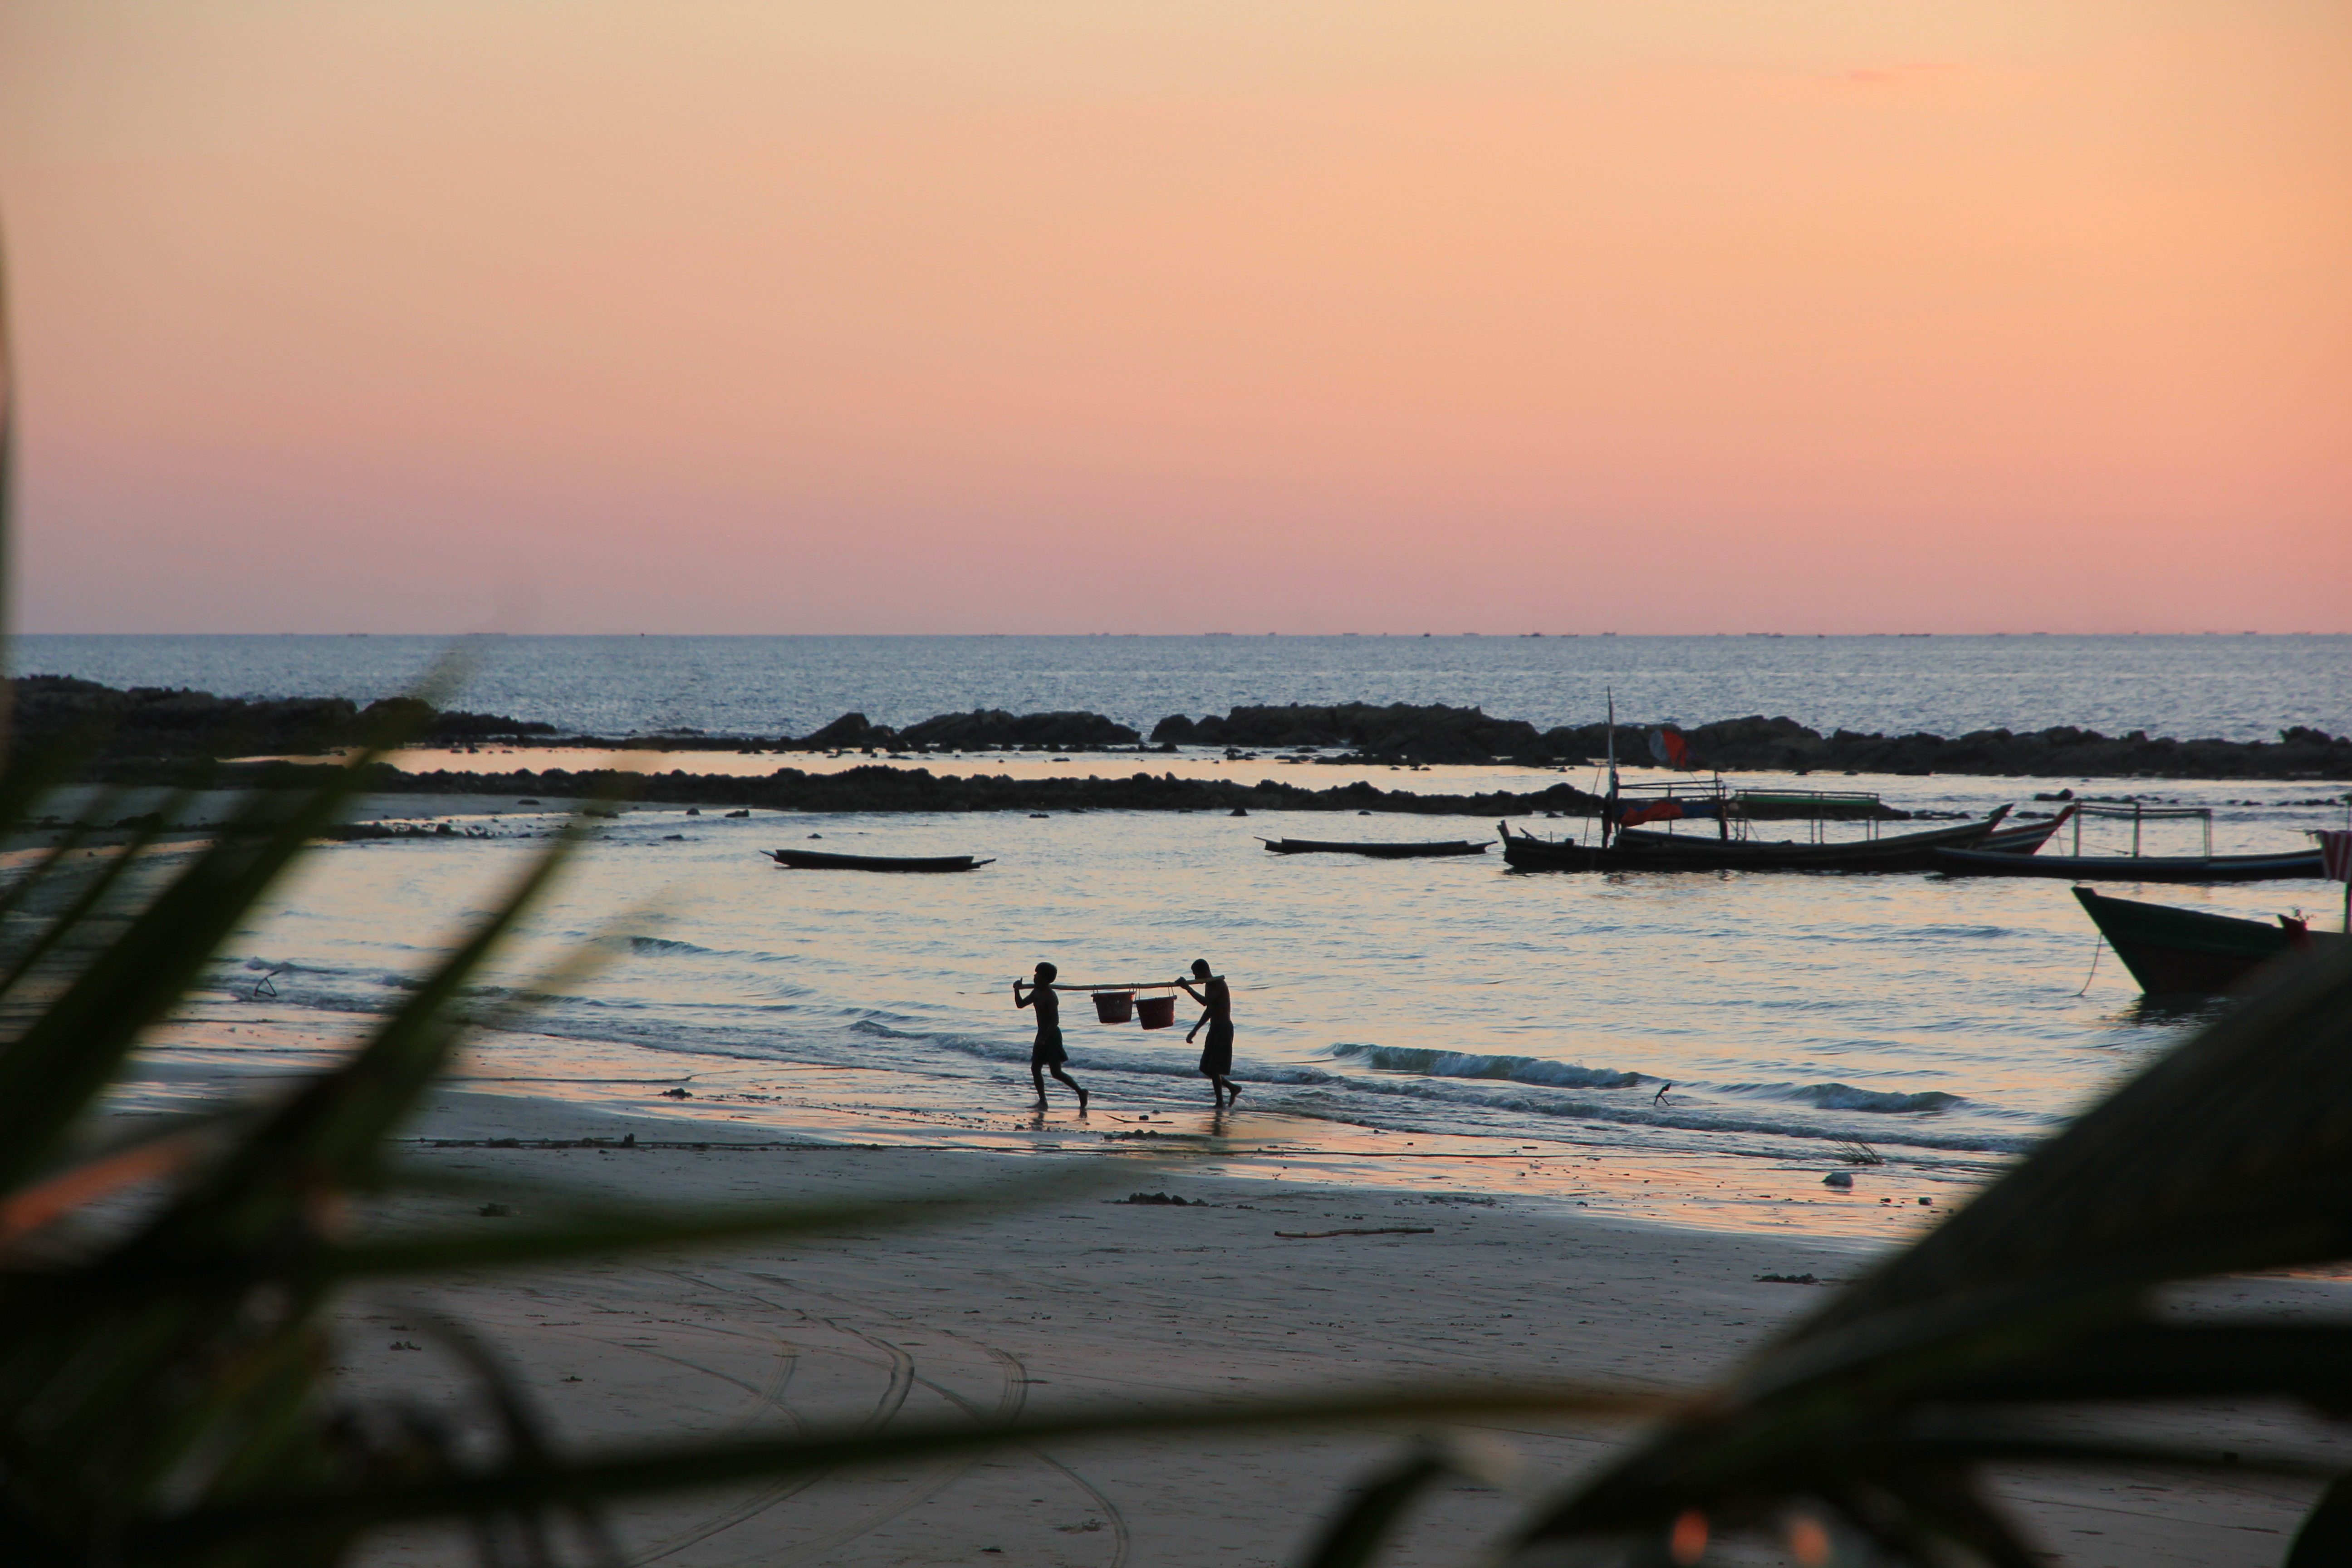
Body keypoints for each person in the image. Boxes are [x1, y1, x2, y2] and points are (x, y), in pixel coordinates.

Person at [1013, 961, 1087, 1111]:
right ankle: (1043, 1101)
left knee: (1056, 1072)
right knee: (1035, 1068)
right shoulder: (1036, 992)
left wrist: (1045, 1039)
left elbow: (1055, 1021)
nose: (1034, 977)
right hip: (1041, 1034)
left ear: (1045, 978)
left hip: (1051, 1035)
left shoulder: (1050, 996)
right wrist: (1017, 990)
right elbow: (1021, 1004)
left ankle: (1081, 1092)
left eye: (1037, 975)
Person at [1176, 958, 1241, 1107]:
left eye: (1196, 974)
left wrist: (1188, 988)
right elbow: (1210, 1010)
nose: (1195, 978)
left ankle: (1220, 1103)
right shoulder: (1209, 985)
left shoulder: (1218, 984)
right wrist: (1195, 1030)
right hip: (1214, 1028)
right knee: (1205, 1067)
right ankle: (1232, 1088)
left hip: (1224, 1028)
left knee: (1215, 1068)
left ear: (1204, 972)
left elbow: (1205, 1002)